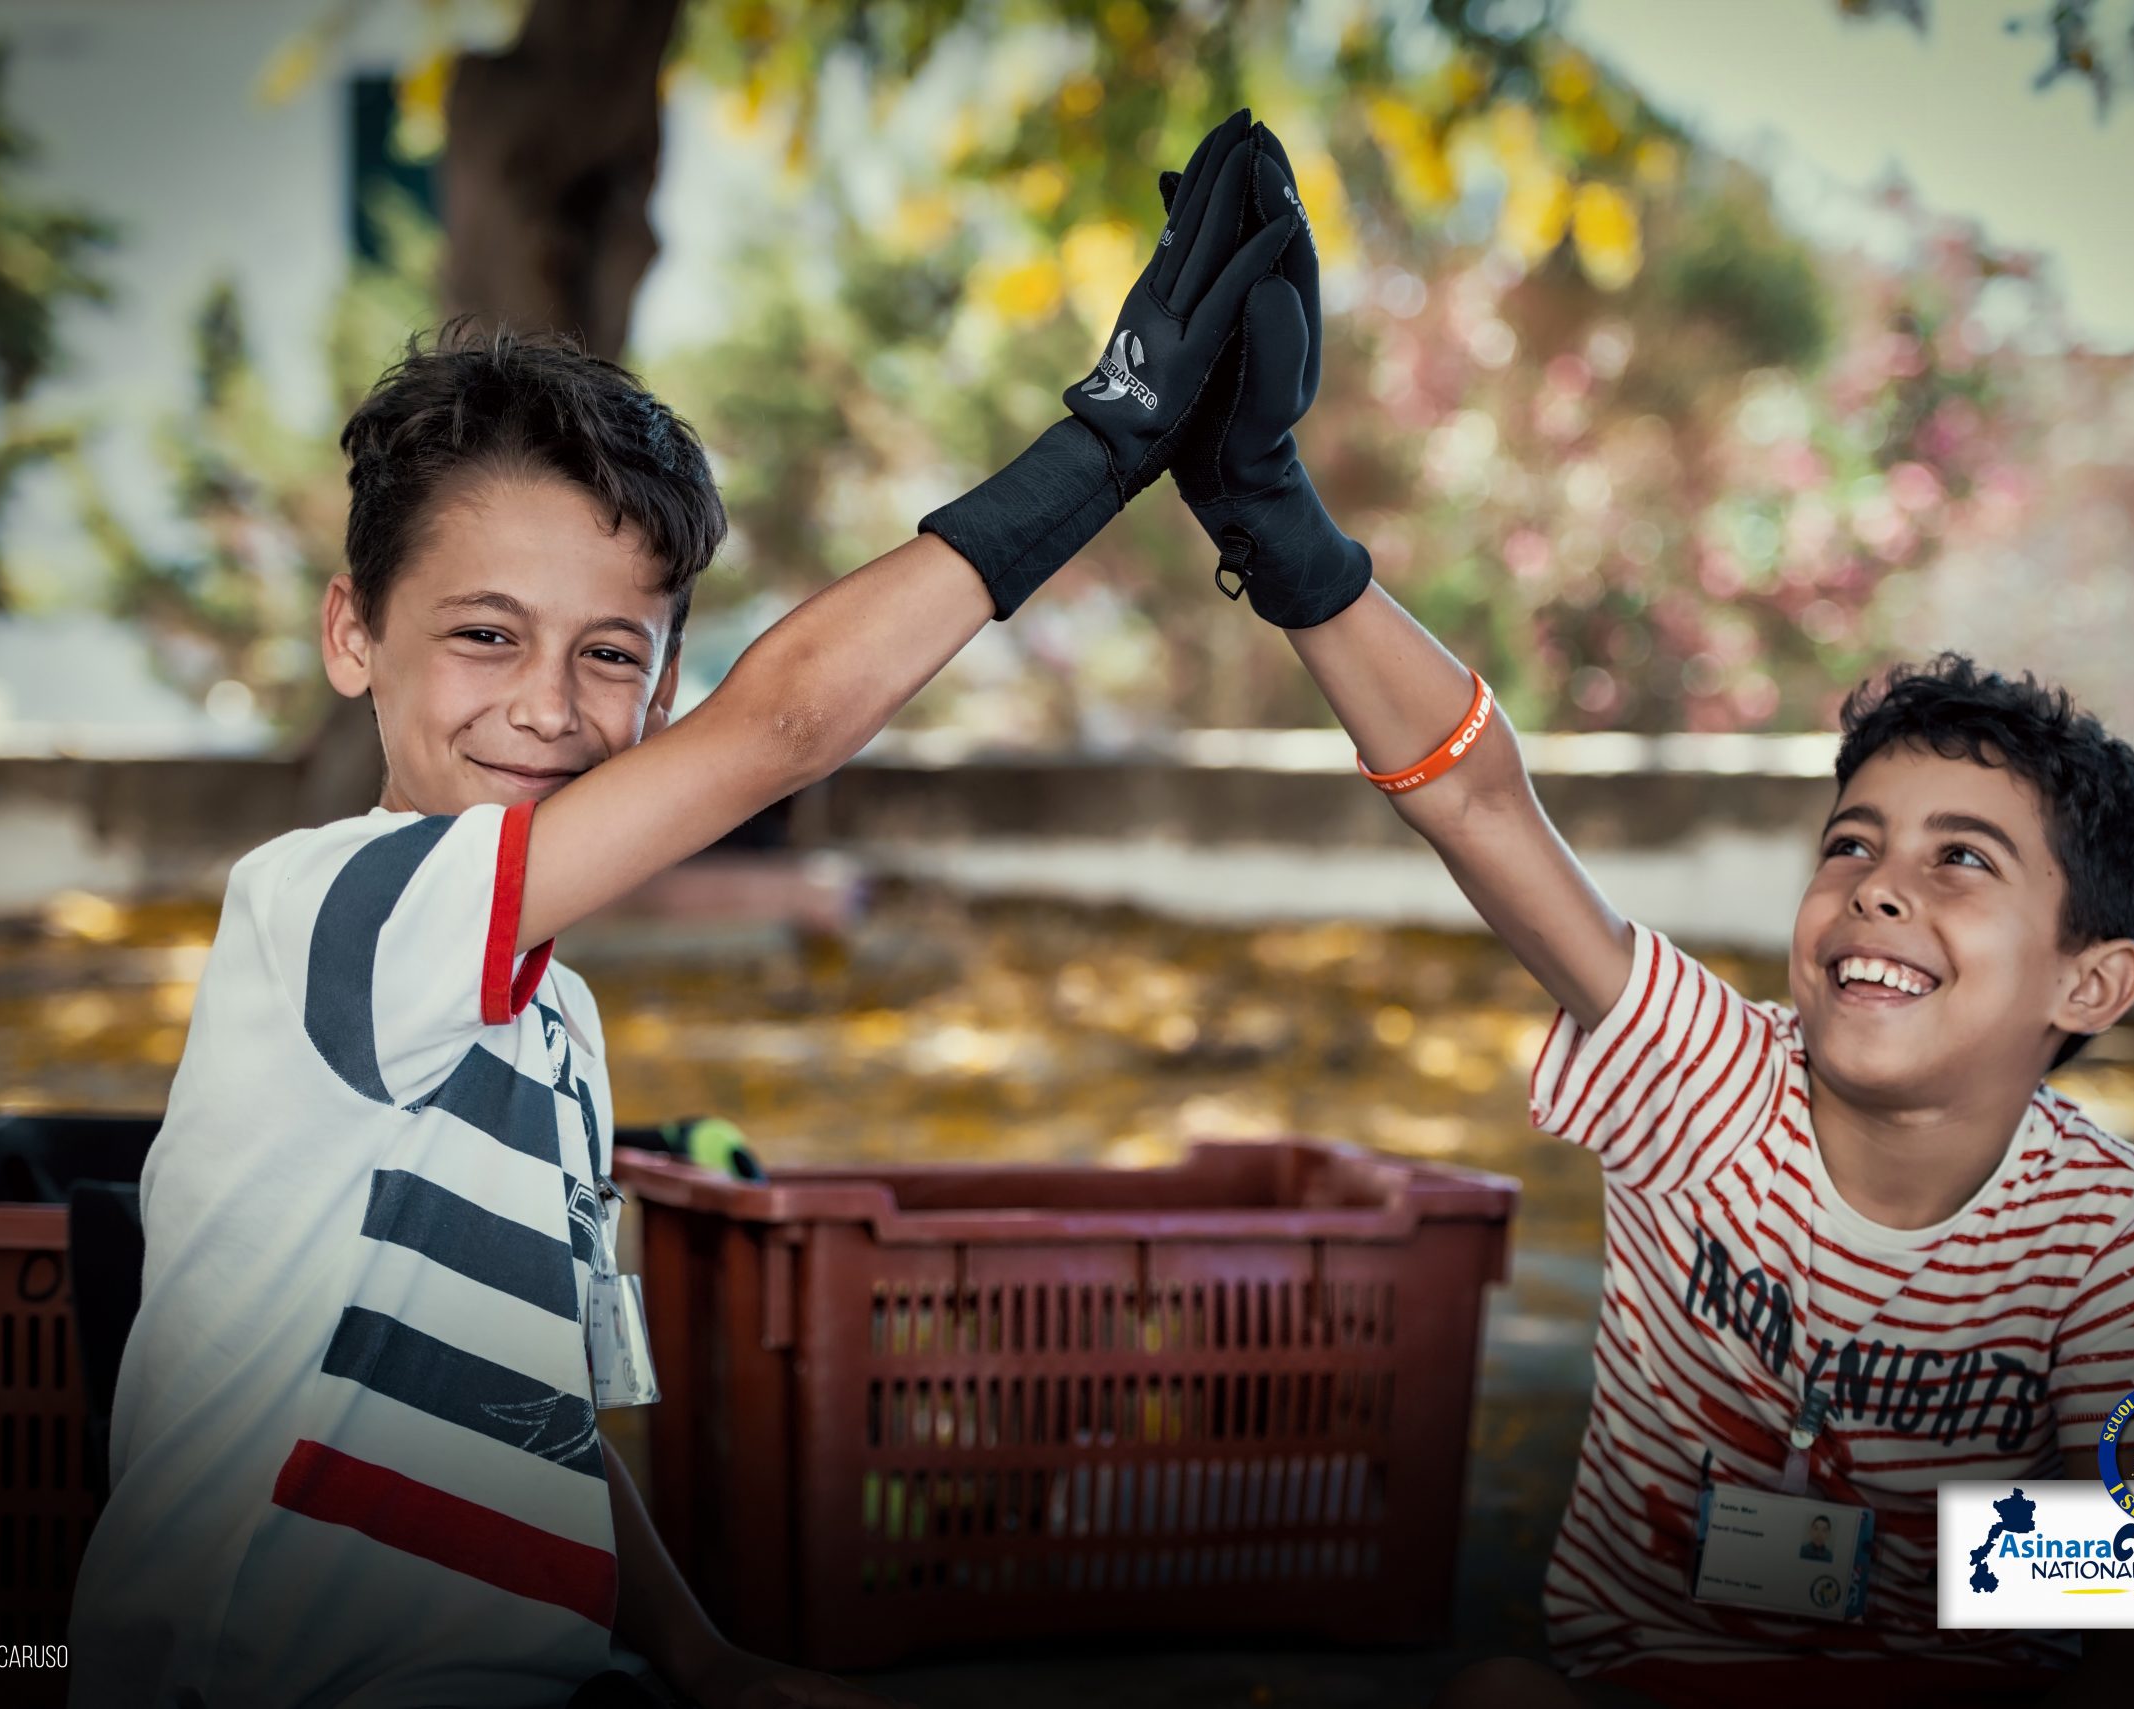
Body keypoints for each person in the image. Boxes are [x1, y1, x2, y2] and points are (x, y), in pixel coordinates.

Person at [66, 112, 1300, 1709]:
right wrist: (1109, 443)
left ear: (655, 689)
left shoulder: (560, 1024)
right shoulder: (328, 911)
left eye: (609, 655)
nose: (545, 705)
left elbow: (542, 1424)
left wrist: (707, 1659)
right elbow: (780, 729)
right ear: (350, 634)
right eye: (484, 635)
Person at [1155, 129, 2134, 1709]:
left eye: (1964, 862)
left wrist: (1886, 1592)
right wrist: (1275, 519)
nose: (1880, 883)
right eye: (1855, 839)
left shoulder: (2112, 1237)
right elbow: (1480, 802)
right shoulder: (1702, 1078)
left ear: (2094, 975)